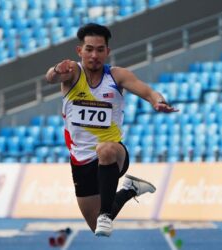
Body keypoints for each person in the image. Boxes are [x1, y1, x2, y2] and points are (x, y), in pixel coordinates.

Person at [45, 23, 178, 237]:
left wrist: (158, 101)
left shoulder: (117, 76)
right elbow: (51, 78)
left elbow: (148, 91)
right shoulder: (71, 73)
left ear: (107, 52)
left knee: (105, 149)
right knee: (94, 225)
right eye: (89, 49)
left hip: (115, 154)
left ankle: (106, 214)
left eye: (100, 49)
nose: (94, 55)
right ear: (80, 51)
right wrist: (55, 71)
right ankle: (129, 190)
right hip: (80, 160)